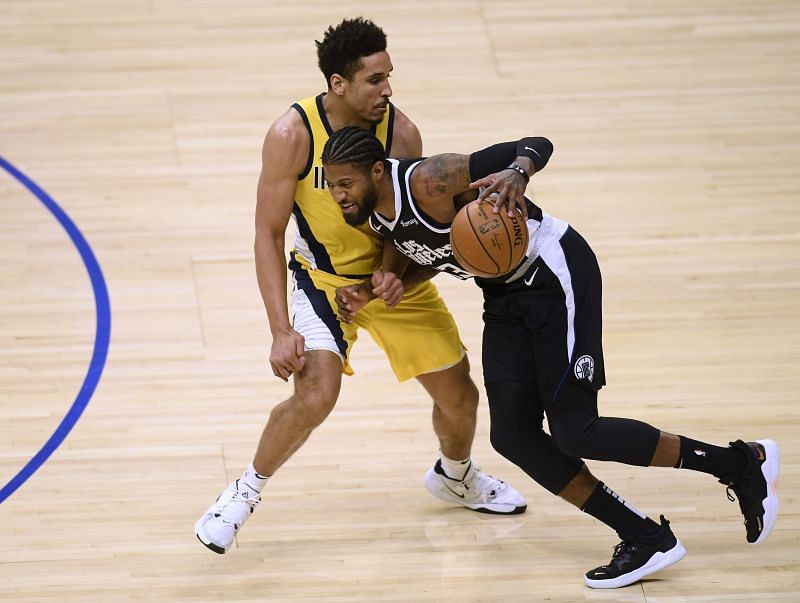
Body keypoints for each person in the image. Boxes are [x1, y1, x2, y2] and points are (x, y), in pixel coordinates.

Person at [322, 126, 780, 589]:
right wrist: (384, 282)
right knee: (513, 435)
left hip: (553, 272)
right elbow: (430, 251)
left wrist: (519, 171)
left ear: (377, 171)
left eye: (345, 183)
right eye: (331, 184)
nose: (337, 195)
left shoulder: (431, 180)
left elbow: (534, 144)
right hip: (503, 296)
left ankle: (740, 463)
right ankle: (643, 535)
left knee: (576, 431)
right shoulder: (374, 214)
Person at [194, 18, 528, 556]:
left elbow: (408, 214)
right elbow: (268, 231)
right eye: (375, 79)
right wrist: (280, 330)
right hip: (322, 282)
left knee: (461, 398)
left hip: (387, 283)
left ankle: (455, 475)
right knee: (317, 393)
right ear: (338, 83)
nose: (388, 90)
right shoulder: (292, 134)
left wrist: (393, 272)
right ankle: (242, 493)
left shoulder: (402, 134)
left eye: (389, 76)